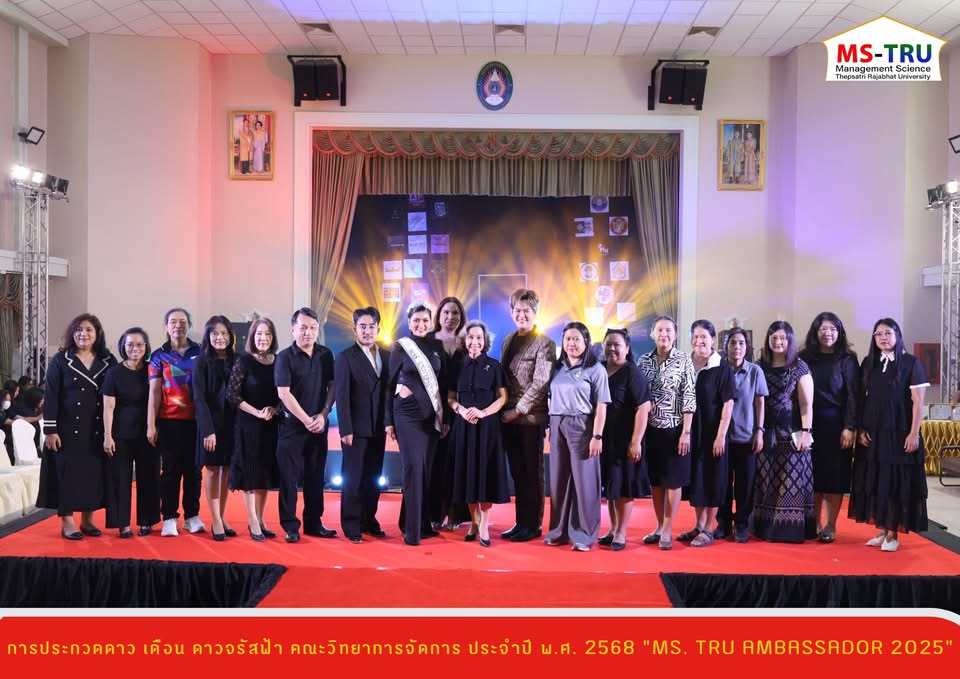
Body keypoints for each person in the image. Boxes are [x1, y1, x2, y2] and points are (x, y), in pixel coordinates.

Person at [849, 319, 929, 552]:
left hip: (899, 432)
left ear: (897, 335)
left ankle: (893, 533)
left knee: (894, 482)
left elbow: (918, 402)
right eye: (878, 334)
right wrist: (861, 428)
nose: (883, 337)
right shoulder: (869, 362)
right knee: (877, 480)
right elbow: (862, 398)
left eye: (888, 333)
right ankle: (883, 529)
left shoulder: (911, 363)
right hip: (873, 432)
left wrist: (914, 433)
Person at [37, 314, 116, 539]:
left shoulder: (108, 360)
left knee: (93, 474)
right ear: (72, 333)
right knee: (67, 475)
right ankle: (67, 521)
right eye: (79, 329)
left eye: (89, 329)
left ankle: (88, 520)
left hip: (97, 428)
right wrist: (50, 430)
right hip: (67, 429)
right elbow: (51, 395)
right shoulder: (61, 359)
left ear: (97, 333)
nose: (84, 334)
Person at [543, 322, 610, 551]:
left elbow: (601, 406)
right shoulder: (557, 367)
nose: (572, 343)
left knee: (585, 483)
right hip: (557, 424)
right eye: (568, 339)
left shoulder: (595, 369)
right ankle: (558, 531)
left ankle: (584, 534)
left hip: (582, 425)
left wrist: (597, 436)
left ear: (586, 342)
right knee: (558, 481)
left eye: (576, 339)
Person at [386, 303, 448, 546]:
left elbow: (443, 384)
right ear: (409, 322)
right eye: (416, 321)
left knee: (424, 471)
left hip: (430, 417)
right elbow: (389, 386)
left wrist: (445, 419)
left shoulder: (437, 347)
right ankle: (412, 532)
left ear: (431, 322)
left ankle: (419, 524)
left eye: (425, 320)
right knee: (413, 469)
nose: (421, 324)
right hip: (407, 415)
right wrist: (388, 421)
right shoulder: (400, 347)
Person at [275, 307, 337, 543]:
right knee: (289, 479)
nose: (307, 332)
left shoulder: (325, 354)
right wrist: (306, 419)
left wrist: (324, 414)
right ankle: (290, 526)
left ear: (318, 329)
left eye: (312, 328)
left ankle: (313, 523)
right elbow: (284, 393)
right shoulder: (284, 357)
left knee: (315, 476)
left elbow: (333, 385)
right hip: (292, 427)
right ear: (293, 329)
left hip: (319, 426)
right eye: (302, 328)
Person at [499, 288, 556, 543]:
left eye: (527, 310)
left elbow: (541, 383)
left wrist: (518, 410)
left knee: (532, 474)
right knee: (518, 474)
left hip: (530, 418)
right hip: (508, 417)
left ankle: (533, 525)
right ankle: (520, 521)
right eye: (517, 310)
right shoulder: (508, 339)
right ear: (511, 312)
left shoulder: (545, 343)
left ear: (535, 312)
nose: (521, 314)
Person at [752, 321, 816, 543]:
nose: (778, 342)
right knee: (767, 480)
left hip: (791, 432)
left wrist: (806, 432)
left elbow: (806, 405)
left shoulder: (799, 367)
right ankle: (764, 529)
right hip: (764, 430)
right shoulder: (759, 366)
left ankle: (789, 530)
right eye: (774, 338)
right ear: (768, 340)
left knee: (790, 480)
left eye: (783, 338)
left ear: (790, 341)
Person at [448, 320, 509, 547]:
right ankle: (473, 521)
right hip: (463, 428)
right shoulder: (456, 367)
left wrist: (483, 413)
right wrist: (461, 410)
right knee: (467, 474)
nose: (475, 341)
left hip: (487, 429)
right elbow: (450, 398)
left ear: (485, 341)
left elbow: (503, 398)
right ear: (465, 340)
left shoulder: (494, 366)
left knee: (485, 474)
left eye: (479, 338)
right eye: (471, 337)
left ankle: (484, 524)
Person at [637, 315, 696, 550]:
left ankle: (668, 529)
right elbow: (639, 394)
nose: (664, 334)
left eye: (668, 330)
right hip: (651, 431)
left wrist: (686, 432)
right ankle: (659, 526)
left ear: (675, 334)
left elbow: (689, 397)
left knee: (673, 481)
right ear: (652, 333)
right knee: (656, 481)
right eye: (660, 330)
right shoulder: (644, 361)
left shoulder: (684, 360)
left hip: (675, 430)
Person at [799, 312, 859, 543]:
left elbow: (853, 395)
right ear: (815, 332)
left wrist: (849, 426)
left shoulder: (847, 359)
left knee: (834, 478)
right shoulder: (804, 357)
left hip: (837, 426)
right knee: (811, 475)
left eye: (833, 329)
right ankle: (814, 521)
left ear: (839, 332)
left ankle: (830, 525)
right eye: (823, 329)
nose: (828, 333)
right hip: (809, 425)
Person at [334, 307, 391, 543]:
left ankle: (369, 520)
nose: (367, 331)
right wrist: (345, 428)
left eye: (371, 326)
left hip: (379, 427)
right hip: (355, 429)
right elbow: (341, 395)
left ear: (378, 328)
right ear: (355, 329)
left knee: (373, 476)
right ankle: (351, 524)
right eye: (363, 326)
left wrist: (389, 423)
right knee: (353, 477)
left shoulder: (387, 355)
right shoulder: (345, 357)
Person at [148, 307, 205, 537]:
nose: (178, 326)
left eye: (182, 322)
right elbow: (154, 393)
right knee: (171, 471)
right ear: (166, 326)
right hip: (169, 422)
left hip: (196, 422)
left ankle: (192, 516)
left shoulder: (201, 352)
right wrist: (151, 424)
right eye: (173, 321)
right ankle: (170, 517)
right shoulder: (158, 356)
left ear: (189, 325)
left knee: (194, 471)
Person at [680, 320, 734, 548]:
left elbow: (728, 404)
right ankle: (699, 525)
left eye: (704, 337)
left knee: (713, 478)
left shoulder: (721, 367)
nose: (699, 341)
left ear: (713, 340)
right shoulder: (684, 364)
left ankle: (709, 528)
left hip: (713, 431)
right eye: (695, 336)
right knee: (697, 478)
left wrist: (721, 435)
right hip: (691, 430)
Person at [227, 317, 282, 541]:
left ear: (273, 337)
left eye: (267, 334)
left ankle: (261, 519)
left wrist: (274, 409)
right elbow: (232, 395)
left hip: (271, 424)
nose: (263, 338)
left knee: (265, 474)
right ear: (252, 336)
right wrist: (256, 412)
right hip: (248, 425)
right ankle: (252, 521)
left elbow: (284, 393)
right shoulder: (244, 361)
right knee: (250, 474)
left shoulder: (279, 361)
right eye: (259, 334)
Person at [102, 327, 158, 537]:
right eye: (130, 344)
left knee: (149, 477)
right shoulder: (114, 373)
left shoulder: (153, 369)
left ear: (146, 346)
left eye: (140, 344)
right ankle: (122, 524)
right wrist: (107, 436)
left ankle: (147, 521)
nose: (135, 348)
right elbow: (108, 407)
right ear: (123, 347)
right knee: (119, 478)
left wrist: (154, 427)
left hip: (149, 433)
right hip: (120, 434)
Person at [597, 328, 650, 551]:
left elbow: (643, 408)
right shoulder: (599, 369)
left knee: (624, 487)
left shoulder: (632, 372)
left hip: (626, 439)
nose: (612, 348)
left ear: (627, 348)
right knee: (611, 487)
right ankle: (612, 528)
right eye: (608, 344)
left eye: (617, 344)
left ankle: (621, 532)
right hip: (605, 440)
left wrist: (636, 441)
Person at [715, 327, 767, 543]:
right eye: (732, 343)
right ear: (725, 346)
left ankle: (742, 523)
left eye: (741, 343)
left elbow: (760, 403)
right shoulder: (718, 370)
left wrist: (760, 431)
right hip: (722, 439)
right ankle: (723, 522)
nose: (737, 347)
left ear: (747, 347)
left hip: (747, 437)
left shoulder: (755, 371)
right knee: (723, 483)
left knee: (745, 485)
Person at [193, 315, 238, 541]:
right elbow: (199, 398)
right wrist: (208, 430)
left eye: (224, 333)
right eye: (215, 333)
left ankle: (222, 516)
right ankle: (215, 520)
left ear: (230, 336)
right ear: (208, 336)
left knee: (227, 469)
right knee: (212, 469)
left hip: (232, 424)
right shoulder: (201, 361)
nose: (220, 337)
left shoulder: (237, 360)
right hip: (210, 424)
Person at [427, 296, 469, 532]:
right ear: (439, 315)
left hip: (460, 411)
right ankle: (433, 513)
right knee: (434, 464)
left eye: (455, 313)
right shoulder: (428, 341)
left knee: (456, 463)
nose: (450, 317)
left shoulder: (467, 343)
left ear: (461, 317)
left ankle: (455, 514)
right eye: (446, 312)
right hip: (431, 410)